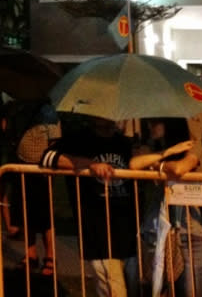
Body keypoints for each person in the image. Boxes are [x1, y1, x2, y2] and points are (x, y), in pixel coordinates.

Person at [41, 117, 137, 296]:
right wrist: (89, 165)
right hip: (97, 228)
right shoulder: (77, 140)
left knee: (132, 287)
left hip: (126, 229)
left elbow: (135, 165)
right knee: (114, 289)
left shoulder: (123, 143)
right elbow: (47, 157)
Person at [130, 118, 202, 297]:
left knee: (191, 291)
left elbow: (180, 168)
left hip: (189, 231)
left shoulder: (191, 145)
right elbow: (134, 164)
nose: (150, 127)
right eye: (148, 122)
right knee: (157, 289)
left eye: (155, 122)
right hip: (158, 231)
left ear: (171, 123)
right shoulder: (151, 148)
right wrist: (167, 152)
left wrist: (157, 166)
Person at [15, 101, 61, 276]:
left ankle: (50, 256)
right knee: (25, 213)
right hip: (22, 165)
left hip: (41, 170)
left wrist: (50, 165)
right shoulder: (20, 108)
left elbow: (55, 141)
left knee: (45, 216)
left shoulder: (48, 110)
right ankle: (30, 253)